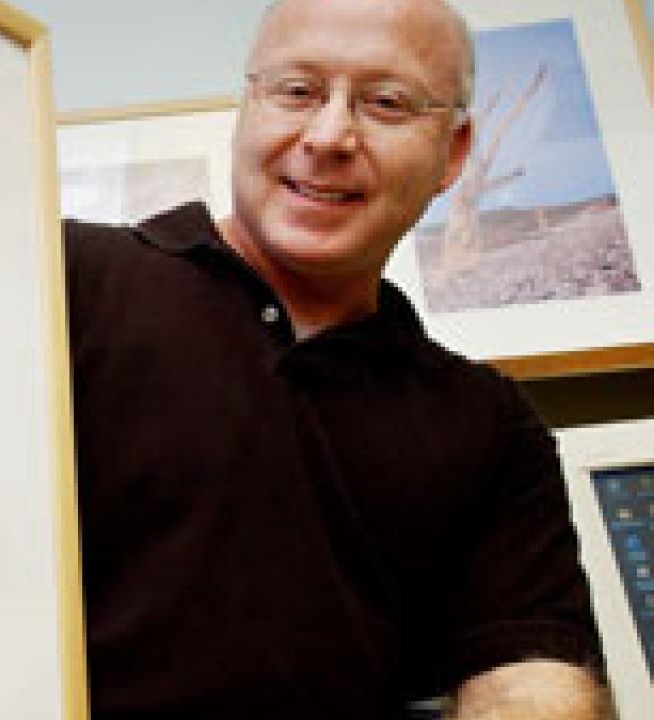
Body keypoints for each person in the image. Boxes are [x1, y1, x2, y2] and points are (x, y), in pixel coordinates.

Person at [63, 0, 609, 717]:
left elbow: (530, 677)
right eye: (297, 91)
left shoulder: (493, 427)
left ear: (452, 151)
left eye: (386, 103)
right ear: (247, 107)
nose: (328, 136)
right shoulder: (60, 280)